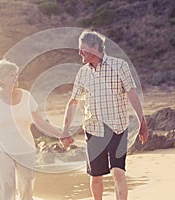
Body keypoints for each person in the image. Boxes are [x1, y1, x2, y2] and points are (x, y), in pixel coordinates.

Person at [62, 30, 149, 200]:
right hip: (93, 129)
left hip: (117, 128)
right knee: (96, 177)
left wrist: (142, 122)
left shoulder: (119, 66)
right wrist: (65, 130)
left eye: (83, 49)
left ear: (95, 47)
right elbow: (73, 102)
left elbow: (132, 94)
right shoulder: (83, 73)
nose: (80, 52)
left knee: (118, 173)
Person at [0, 59, 70, 200]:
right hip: (1, 151)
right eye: (11, 75)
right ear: (2, 79)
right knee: (7, 189)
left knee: (27, 190)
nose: (16, 77)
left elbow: (40, 123)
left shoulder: (26, 97)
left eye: (16, 74)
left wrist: (61, 134)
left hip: (25, 150)